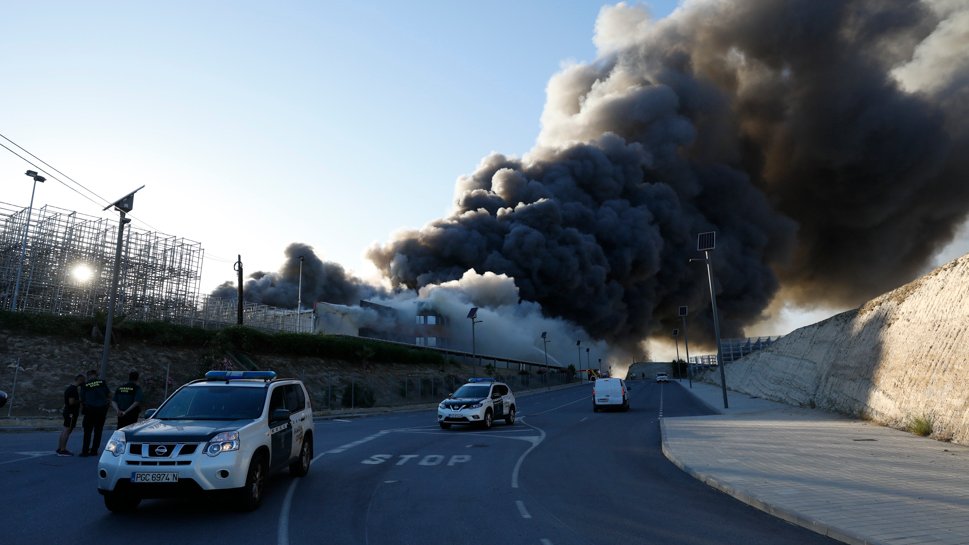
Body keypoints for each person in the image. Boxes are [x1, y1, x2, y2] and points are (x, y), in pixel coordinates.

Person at [79, 369, 114, 457]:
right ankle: (94, 450)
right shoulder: (102, 383)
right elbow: (109, 395)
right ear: (96, 375)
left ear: (88, 376)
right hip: (101, 411)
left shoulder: (85, 385)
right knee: (98, 431)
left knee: (87, 431)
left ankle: (85, 451)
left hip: (90, 411)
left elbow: (82, 398)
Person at [56, 374, 85, 456]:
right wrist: (80, 401)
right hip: (71, 413)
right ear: (79, 380)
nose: (84, 383)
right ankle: (63, 450)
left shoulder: (71, 388)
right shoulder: (72, 389)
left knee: (65, 429)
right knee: (67, 430)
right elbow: (71, 402)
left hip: (68, 412)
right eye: (83, 381)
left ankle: (60, 448)